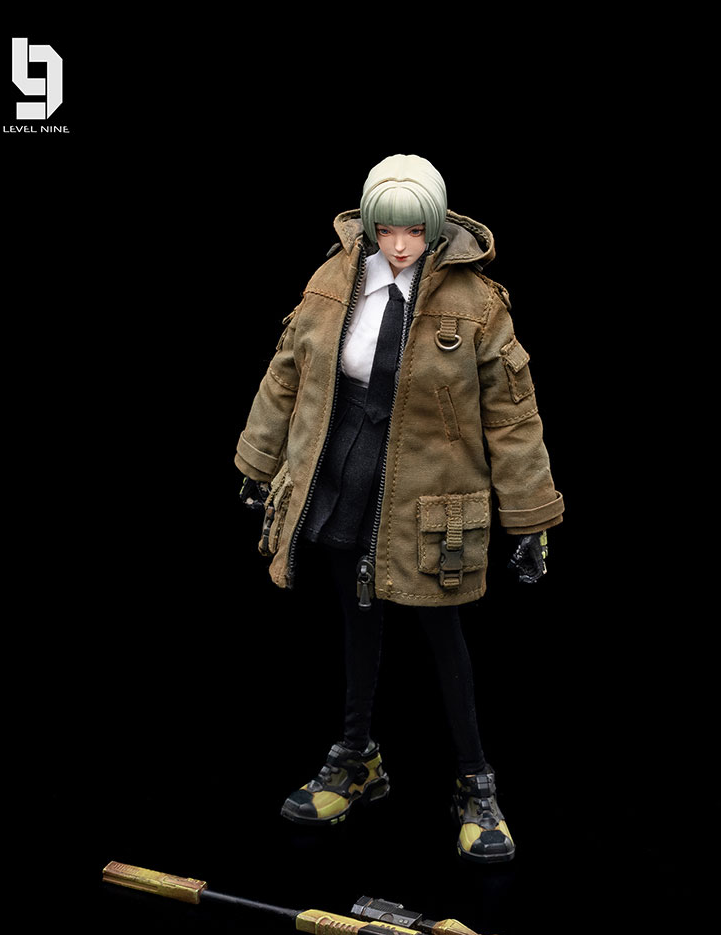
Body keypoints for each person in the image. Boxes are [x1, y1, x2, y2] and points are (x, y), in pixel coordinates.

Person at [235, 154, 563, 863]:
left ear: (436, 228)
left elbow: (513, 417)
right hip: (344, 476)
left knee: (443, 633)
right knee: (356, 618)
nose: (401, 245)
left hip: (428, 492)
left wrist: (531, 517)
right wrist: (258, 463)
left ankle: (475, 782)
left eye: (415, 231)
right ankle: (357, 756)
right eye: (387, 230)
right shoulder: (333, 280)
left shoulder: (476, 304)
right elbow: (287, 373)